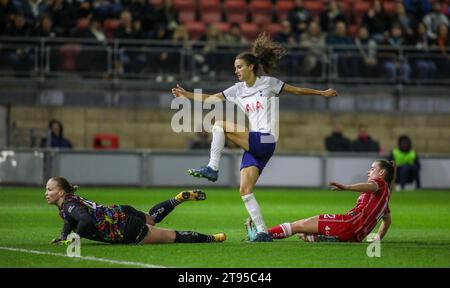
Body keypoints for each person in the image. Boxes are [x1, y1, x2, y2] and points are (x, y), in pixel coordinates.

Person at [171, 32, 338, 242]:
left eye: (239, 66)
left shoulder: (268, 83)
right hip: (254, 144)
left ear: (250, 66)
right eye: (235, 68)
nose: (236, 71)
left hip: (266, 139)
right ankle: (262, 232)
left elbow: (296, 91)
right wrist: (186, 95)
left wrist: (321, 93)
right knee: (245, 190)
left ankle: (212, 168)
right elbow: (210, 99)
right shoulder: (237, 89)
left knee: (220, 124)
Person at [46, 176, 226, 245]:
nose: (46, 193)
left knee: (173, 236)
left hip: (125, 228)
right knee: (152, 218)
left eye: (49, 189)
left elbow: (83, 219)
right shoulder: (68, 203)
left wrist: (73, 240)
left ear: (61, 192)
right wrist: (63, 236)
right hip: (120, 212)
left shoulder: (69, 204)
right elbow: (70, 219)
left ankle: (213, 238)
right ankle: (177, 199)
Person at [246, 160, 394, 243]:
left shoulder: (379, 183)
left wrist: (347, 187)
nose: (369, 172)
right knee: (305, 234)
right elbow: (387, 221)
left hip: (348, 224)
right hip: (356, 237)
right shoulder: (385, 200)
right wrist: (377, 238)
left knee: (299, 225)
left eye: (372, 168)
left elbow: (371, 186)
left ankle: (263, 235)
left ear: (381, 173)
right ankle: (321, 238)